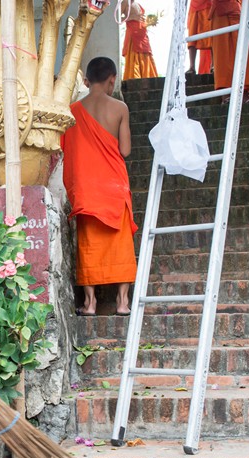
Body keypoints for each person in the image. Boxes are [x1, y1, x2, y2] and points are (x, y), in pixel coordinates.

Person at [62, 57, 138, 316]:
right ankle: (122, 303)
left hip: (86, 188)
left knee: (89, 244)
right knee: (120, 243)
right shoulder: (120, 108)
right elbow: (125, 151)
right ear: (112, 80)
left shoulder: (72, 111)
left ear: (85, 81)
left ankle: (90, 303)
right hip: (113, 185)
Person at [210, 0, 249, 101]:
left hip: (236, 9)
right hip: (221, 11)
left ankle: (243, 92)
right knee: (223, 53)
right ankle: (225, 94)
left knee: (244, 49)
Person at [121, 1, 158, 80]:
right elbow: (116, 19)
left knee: (146, 59)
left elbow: (140, 19)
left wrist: (149, 22)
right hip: (133, 37)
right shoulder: (125, 2)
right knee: (134, 61)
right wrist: (131, 17)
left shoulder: (136, 3)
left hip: (143, 37)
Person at [187, 0, 213, 76]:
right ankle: (192, 67)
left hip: (208, 4)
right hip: (194, 6)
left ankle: (213, 65)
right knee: (192, 36)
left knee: (211, 36)